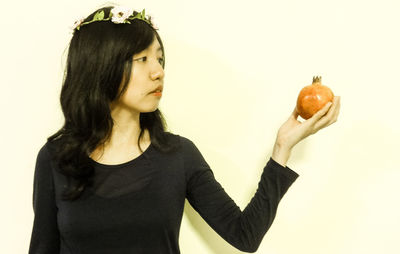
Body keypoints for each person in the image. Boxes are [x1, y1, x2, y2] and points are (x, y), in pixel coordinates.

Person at [28, 5, 341, 254]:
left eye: (160, 59)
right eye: (142, 58)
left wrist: (282, 147)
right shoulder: (55, 159)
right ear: (99, 65)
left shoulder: (178, 156)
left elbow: (244, 235)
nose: (158, 71)